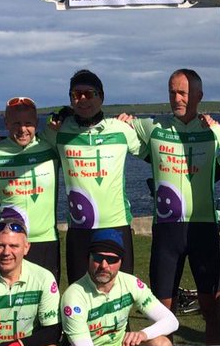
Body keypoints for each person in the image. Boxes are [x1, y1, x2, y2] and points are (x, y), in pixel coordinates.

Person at [120, 69, 220, 344]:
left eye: (183, 93)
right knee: (162, 310)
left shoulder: (215, 132)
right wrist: (122, 120)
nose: (177, 98)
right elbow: (119, 128)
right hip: (167, 232)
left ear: (199, 96)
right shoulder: (154, 127)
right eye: (172, 92)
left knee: (211, 308)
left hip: (203, 228)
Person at [40, 69, 145, 284]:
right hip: (79, 229)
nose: (82, 100)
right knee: (79, 295)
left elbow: (155, 152)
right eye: (76, 95)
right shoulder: (58, 130)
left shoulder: (121, 129)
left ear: (102, 96)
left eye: (89, 93)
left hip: (116, 225)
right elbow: (24, 144)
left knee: (120, 295)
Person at [0, 96, 62, 281]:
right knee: (8, 300)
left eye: (28, 123)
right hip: (8, 241)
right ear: (6, 123)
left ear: (36, 123)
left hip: (45, 240)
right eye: (15, 123)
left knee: (46, 301)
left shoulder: (51, 146)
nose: (22, 129)